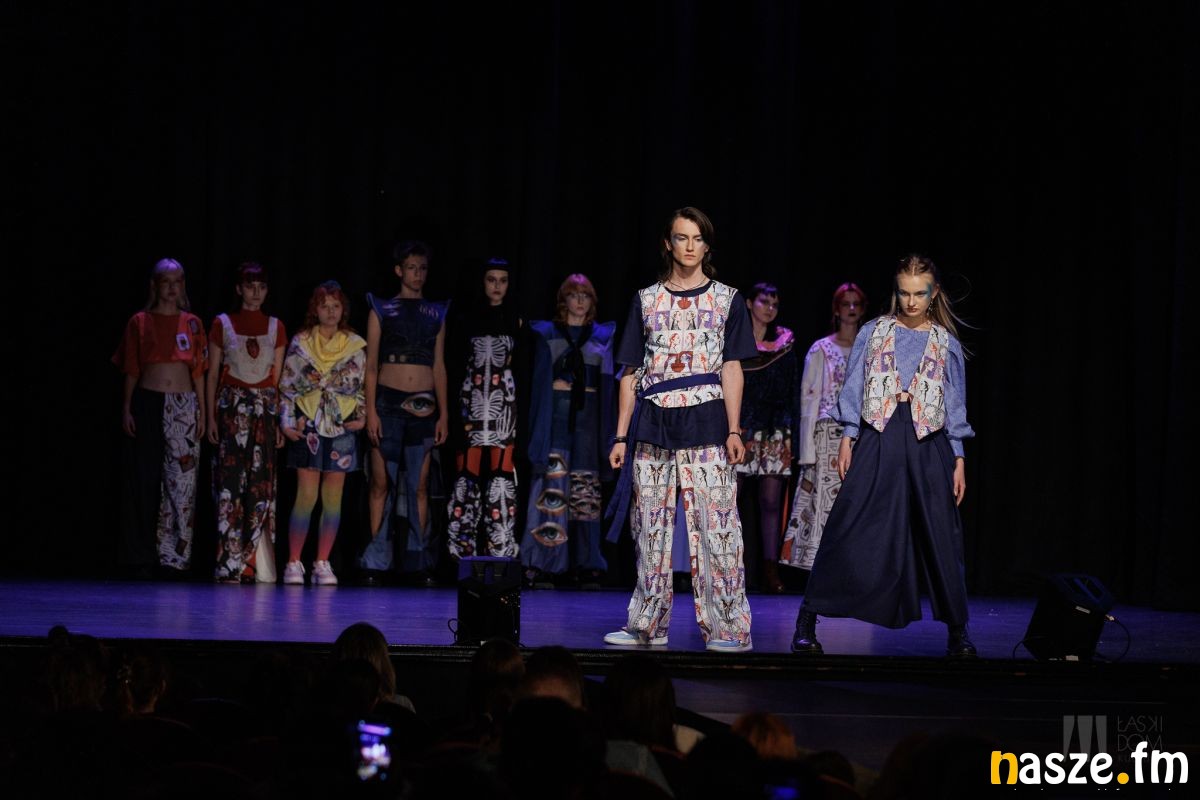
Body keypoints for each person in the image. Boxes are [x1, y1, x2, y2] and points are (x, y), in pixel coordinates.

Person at [791, 255, 976, 657]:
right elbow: (854, 386)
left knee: (943, 533)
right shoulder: (873, 332)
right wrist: (848, 435)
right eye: (904, 293)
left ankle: (958, 632)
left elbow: (954, 402)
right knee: (848, 523)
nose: (911, 301)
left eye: (919, 294)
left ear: (933, 294)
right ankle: (807, 617)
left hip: (929, 439)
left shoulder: (945, 341)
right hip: (879, 433)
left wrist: (959, 457)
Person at [604, 206, 757, 653]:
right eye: (681, 238)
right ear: (667, 244)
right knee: (649, 527)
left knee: (718, 527)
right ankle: (647, 624)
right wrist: (620, 435)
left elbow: (732, 367)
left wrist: (734, 429)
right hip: (653, 421)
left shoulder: (727, 299)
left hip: (707, 419)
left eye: (697, 238)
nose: (689, 247)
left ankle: (730, 628)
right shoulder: (646, 300)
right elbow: (630, 373)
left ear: (707, 246)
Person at [445, 258, 550, 560]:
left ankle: (501, 546)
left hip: (504, 409)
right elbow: (455, 367)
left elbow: (523, 373)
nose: (497, 286)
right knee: (467, 474)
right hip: (471, 406)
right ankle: (462, 546)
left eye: (503, 280)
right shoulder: (465, 320)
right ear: (482, 282)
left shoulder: (517, 321)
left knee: (501, 477)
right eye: (491, 280)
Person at [358, 241, 449, 585]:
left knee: (419, 484)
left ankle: (417, 561)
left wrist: (444, 414)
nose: (418, 274)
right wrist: (371, 411)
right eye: (411, 268)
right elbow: (371, 366)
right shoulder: (381, 308)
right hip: (388, 405)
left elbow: (439, 366)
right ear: (399, 270)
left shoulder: (436, 312)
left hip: (424, 407)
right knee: (381, 483)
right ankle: (376, 561)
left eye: (422, 268)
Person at [519, 274, 615, 588]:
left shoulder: (602, 336)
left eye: (585, 295)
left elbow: (607, 388)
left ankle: (586, 563)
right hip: (556, 422)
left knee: (585, 494)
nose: (579, 301)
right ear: (564, 300)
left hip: (588, 424)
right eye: (574, 295)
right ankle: (545, 562)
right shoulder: (547, 334)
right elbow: (538, 385)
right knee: (553, 490)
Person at [114, 258, 207, 578]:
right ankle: (140, 555)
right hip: (148, 402)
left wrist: (202, 413)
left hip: (183, 405)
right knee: (145, 479)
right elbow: (131, 368)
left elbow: (199, 372)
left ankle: (174, 558)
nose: (172, 287)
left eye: (178, 281)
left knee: (181, 483)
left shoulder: (193, 323)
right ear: (154, 285)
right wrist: (127, 407)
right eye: (166, 281)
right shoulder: (139, 322)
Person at [278, 281, 367, 586]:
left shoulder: (354, 344)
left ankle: (322, 561)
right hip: (310, 425)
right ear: (315, 310)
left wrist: (362, 417)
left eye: (336, 306)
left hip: (340, 427)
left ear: (343, 310)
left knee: (333, 499)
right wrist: (286, 422)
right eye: (325, 306)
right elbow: (287, 387)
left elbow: (362, 387)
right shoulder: (302, 343)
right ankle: (293, 562)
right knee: (306, 495)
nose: (330, 312)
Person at [207, 262, 287, 584]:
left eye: (261, 287)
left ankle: (256, 562)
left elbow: (276, 380)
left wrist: (279, 421)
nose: (256, 293)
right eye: (250, 286)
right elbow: (213, 374)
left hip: (263, 410)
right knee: (230, 484)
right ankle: (228, 562)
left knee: (260, 484)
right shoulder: (222, 323)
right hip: (232, 407)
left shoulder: (276, 327)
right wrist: (211, 417)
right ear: (239, 289)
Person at [779, 282, 866, 573]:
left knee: (855, 500)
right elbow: (809, 399)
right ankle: (819, 567)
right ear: (836, 310)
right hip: (828, 431)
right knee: (821, 500)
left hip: (859, 433)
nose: (851, 309)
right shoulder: (822, 349)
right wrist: (807, 449)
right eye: (845, 303)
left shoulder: (869, 349)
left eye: (856, 304)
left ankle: (851, 567)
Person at [735, 282, 798, 593]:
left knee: (770, 501)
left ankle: (771, 571)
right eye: (764, 302)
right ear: (749, 303)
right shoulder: (735, 339)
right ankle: (730, 568)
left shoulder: (784, 342)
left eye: (774, 303)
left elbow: (791, 388)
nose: (770, 308)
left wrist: (790, 432)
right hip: (741, 428)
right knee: (731, 498)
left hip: (774, 429)